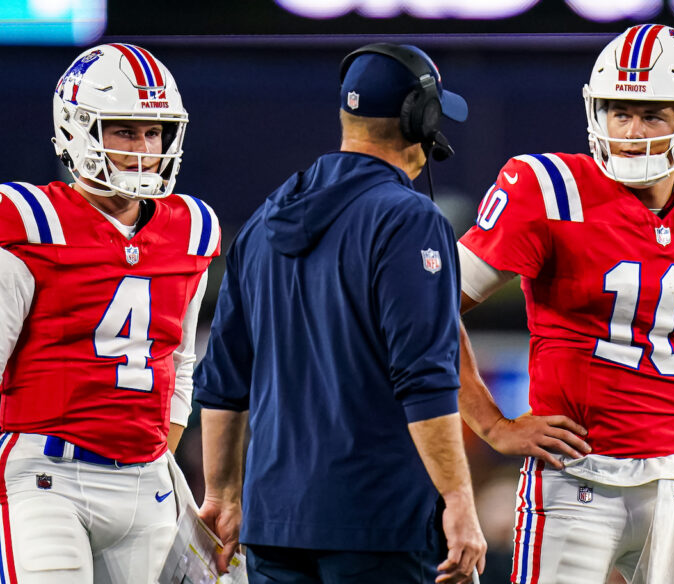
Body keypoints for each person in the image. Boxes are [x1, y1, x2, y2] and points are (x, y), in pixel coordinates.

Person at [456, 25, 674, 583]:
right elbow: (426, 308)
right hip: (575, 479)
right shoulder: (548, 188)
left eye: (652, 115)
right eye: (618, 112)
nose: (631, 132)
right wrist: (492, 424)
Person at [0, 43, 219, 584]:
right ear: (79, 131)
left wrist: (152, 465)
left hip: (144, 484)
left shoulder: (191, 231)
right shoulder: (29, 225)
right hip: (46, 475)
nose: (143, 149)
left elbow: (180, 366)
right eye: (124, 130)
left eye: (154, 132)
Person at [193, 43, 486, 584]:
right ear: (416, 118)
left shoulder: (262, 222)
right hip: (379, 525)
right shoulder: (409, 219)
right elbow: (423, 376)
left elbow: (222, 381)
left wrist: (222, 495)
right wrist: (458, 499)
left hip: (273, 526)